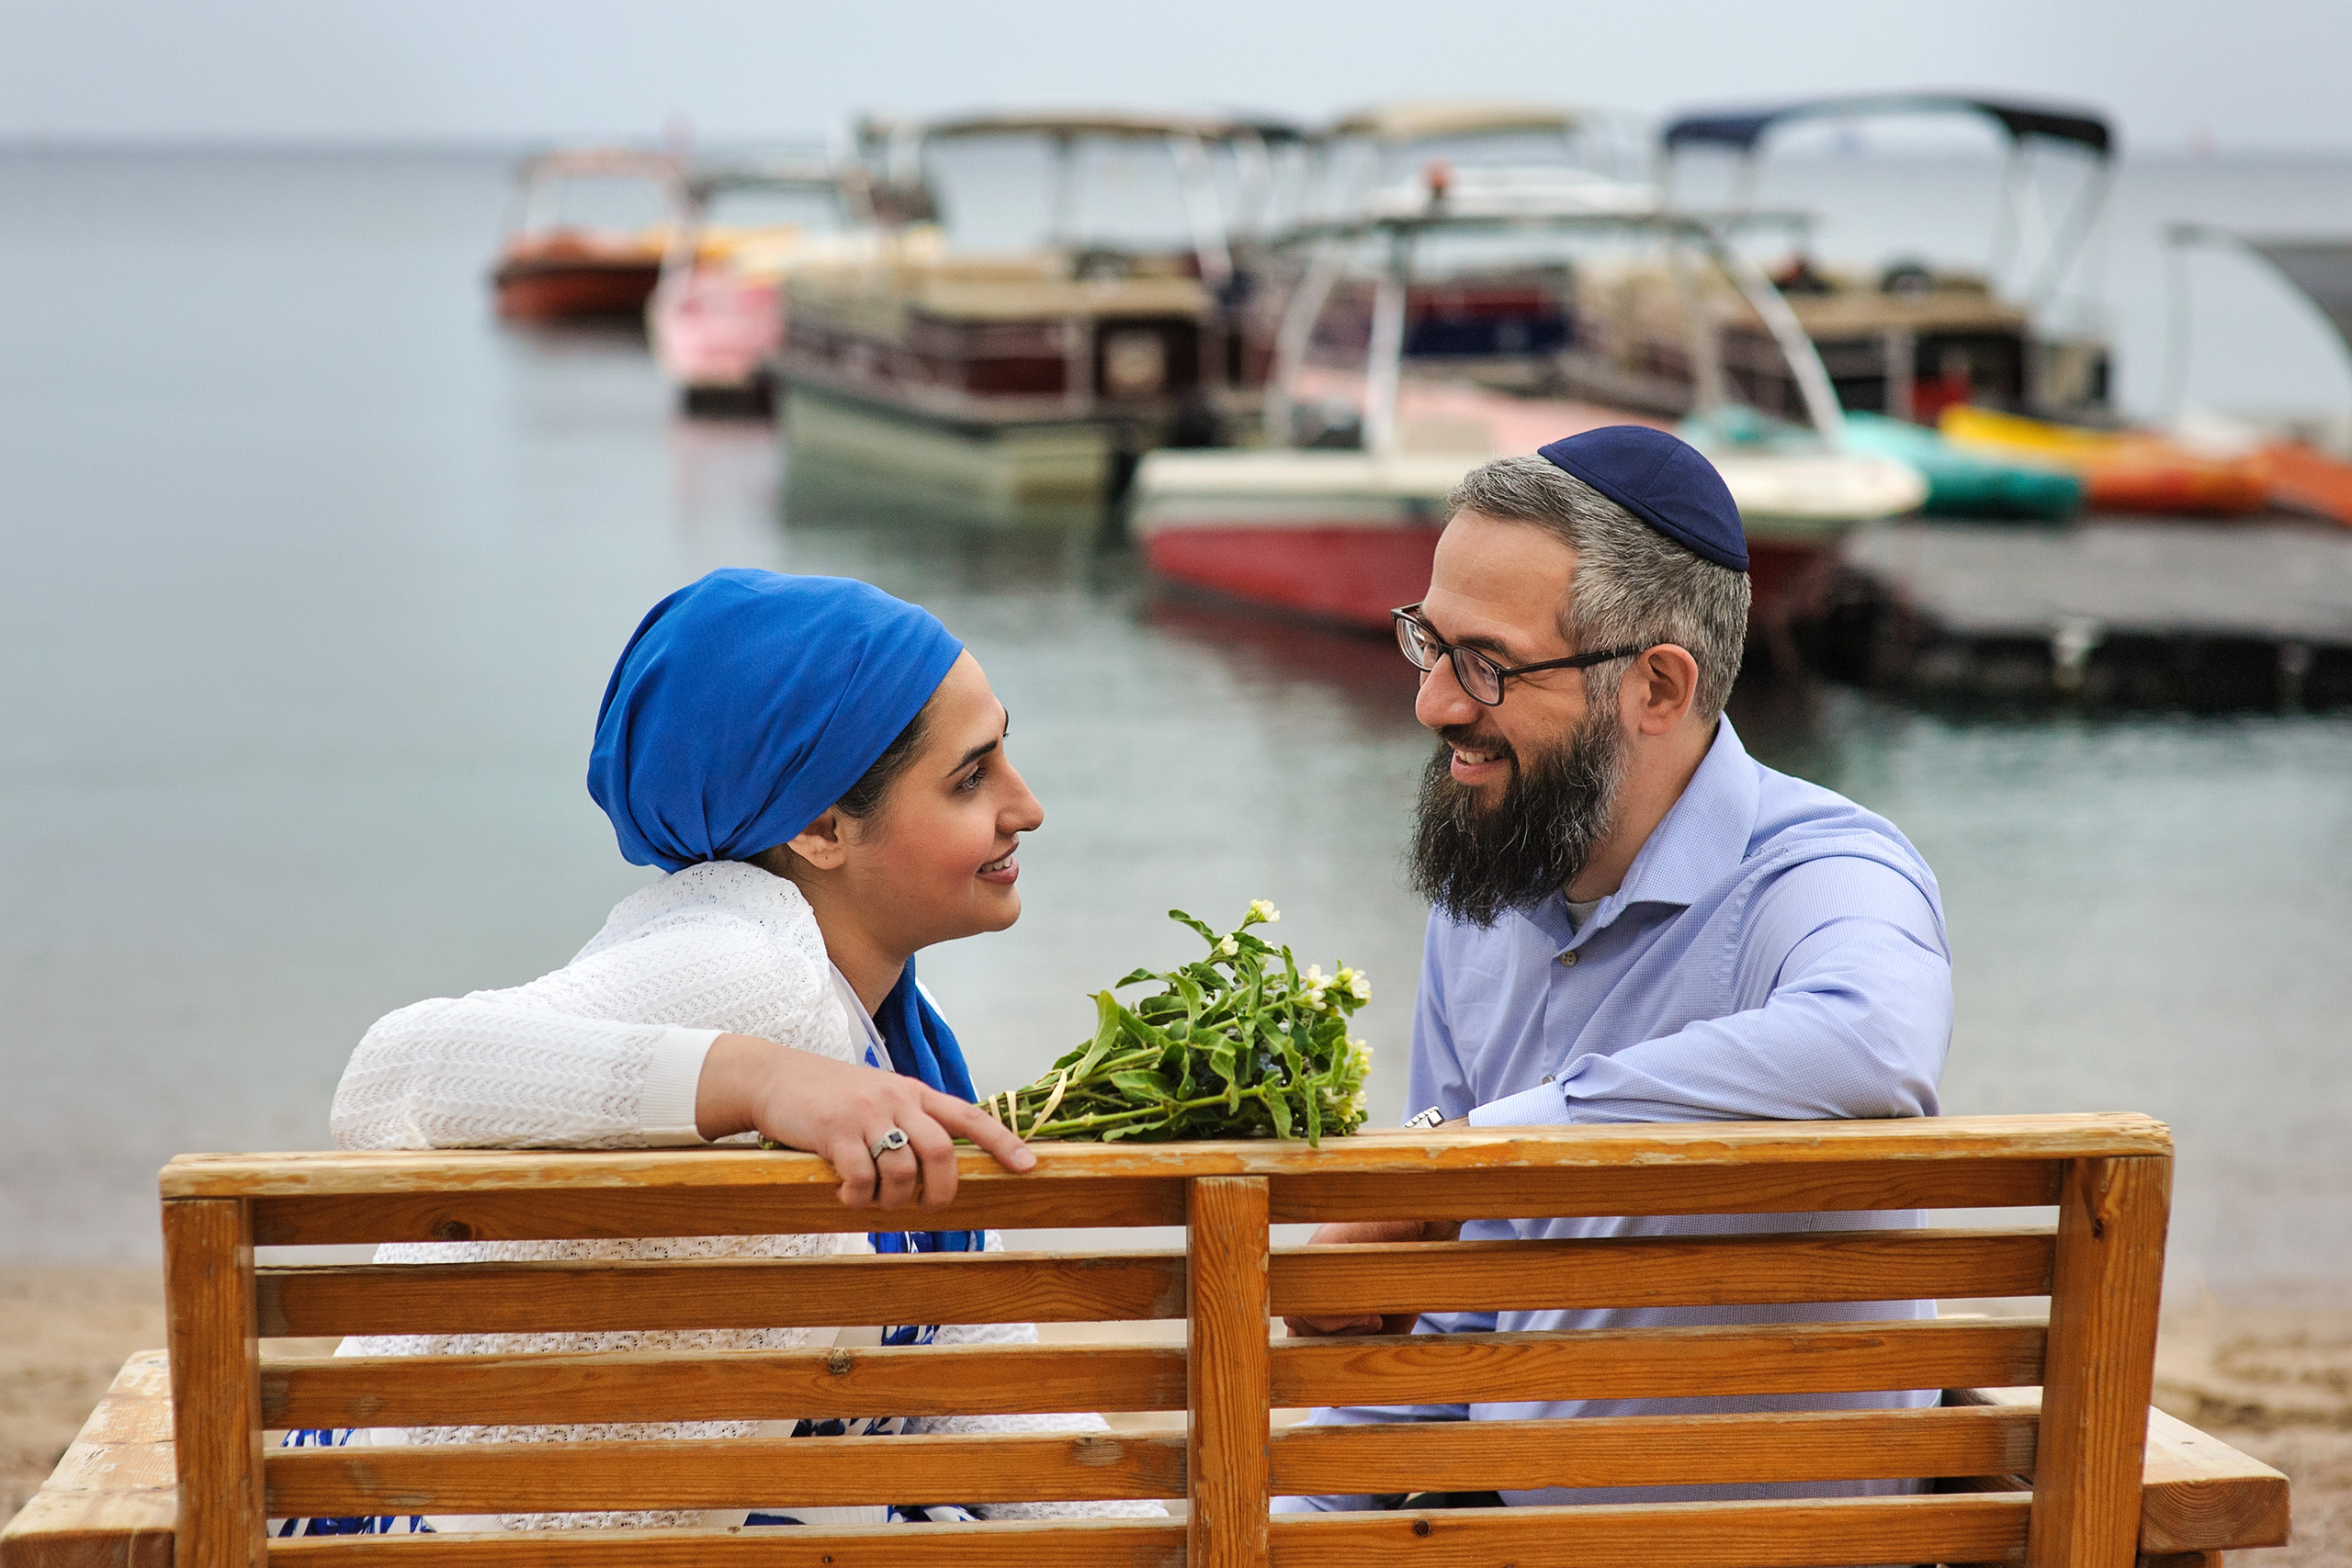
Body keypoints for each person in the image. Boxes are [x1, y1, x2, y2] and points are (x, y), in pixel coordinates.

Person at [288, 569, 1159, 1536]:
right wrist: (761, 1078)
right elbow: (394, 1075)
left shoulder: (894, 1036)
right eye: (970, 777)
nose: (1026, 805)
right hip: (422, 1539)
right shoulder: (743, 967)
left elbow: (985, 1387)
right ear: (821, 828)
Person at [1277, 427, 1953, 1513]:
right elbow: (1450, 1317)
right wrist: (1306, 1519)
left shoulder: (1822, 869)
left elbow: (1869, 1043)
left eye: (1485, 663)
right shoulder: (1488, 899)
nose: (1434, 703)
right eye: (1427, 643)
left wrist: (1477, 1151)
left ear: (1657, 686)